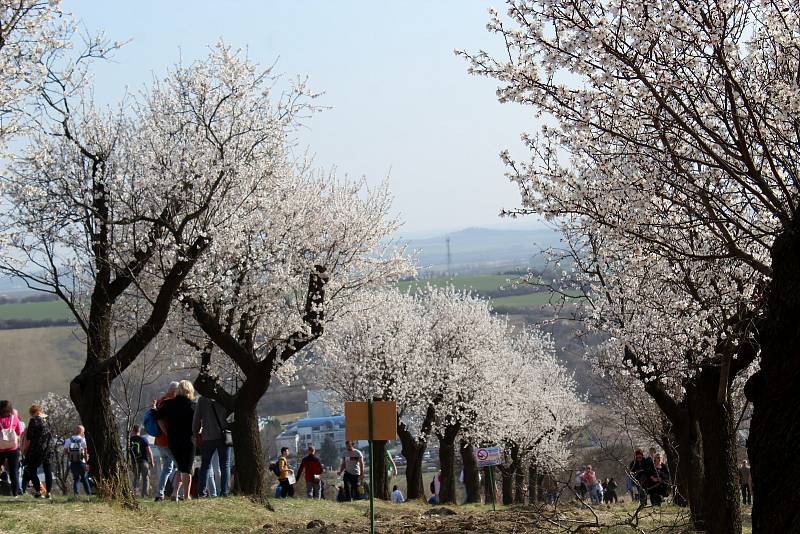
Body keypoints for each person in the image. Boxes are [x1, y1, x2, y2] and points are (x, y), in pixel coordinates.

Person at [156, 379, 196, 501]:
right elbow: (198, 423)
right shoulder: (192, 405)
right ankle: (186, 495)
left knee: (180, 467)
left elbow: (159, 418)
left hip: (173, 440)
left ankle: (174, 494)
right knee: (187, 468)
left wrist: (166, 432)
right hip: (188, 440)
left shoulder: (169, 404)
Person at [192, 395, 231, 498]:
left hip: (208, 437)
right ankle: (224, 491)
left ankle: (202, 493)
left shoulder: (202, 399)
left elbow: (197, 418)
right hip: (223, 436)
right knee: (225, 465)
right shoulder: (223, 396)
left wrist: (195, 433)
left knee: (205, 465)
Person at [152, 382, 178, 502]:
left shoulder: (160, 401)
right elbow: (161, 420)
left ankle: (159, 494)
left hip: (159, 441)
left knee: (167, 468)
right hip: (168, 441)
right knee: (181, 466)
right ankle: (177, 493)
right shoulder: (169, 403)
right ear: (174, 391)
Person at [22, 404, 53, 498]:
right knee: (47, 470)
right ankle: (48, 492)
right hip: (48, 448)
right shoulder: (47, 419)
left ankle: (38, 491)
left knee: (32, 469)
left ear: (32, 412)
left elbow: (29, 436)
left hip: (36, 448)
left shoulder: (34, 420)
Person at [0, 401, 22, 497]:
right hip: (13, 448)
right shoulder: (15, 418)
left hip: (0, 449)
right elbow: (18, 432)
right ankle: (15, 493)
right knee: (14, 471)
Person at [64, 425, 91, 495]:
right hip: (82, 462)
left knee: (76, 479)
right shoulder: (83, 440)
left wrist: (71, 454)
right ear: (82, 432)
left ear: (75, 431)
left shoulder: (68, 440)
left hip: (73, 462)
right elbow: (85, 453)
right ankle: (89, 494)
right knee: (85, 479)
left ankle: (76, 494)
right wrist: (87, 463)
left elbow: (65, 451)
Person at [128, 424, 154, 497]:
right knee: (146, 478)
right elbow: (149, 451)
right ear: (139, 431)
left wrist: (129, 462)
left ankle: (133, 494)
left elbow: (128, 453)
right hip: (144, 462)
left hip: (134, 462)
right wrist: (152, 461)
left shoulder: (129, 440)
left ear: (132, 430)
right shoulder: (144, 439)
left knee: (136, 478)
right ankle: (144, 495)